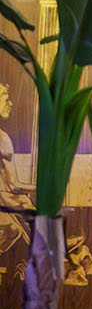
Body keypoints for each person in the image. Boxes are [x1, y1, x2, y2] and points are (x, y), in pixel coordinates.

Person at [0, 82, 33, 253]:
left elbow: (11, 186)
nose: (10, 103)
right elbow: (13, 186)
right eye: (5, 98)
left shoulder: (3, 138)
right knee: (12, 228)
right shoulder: (2, 139)